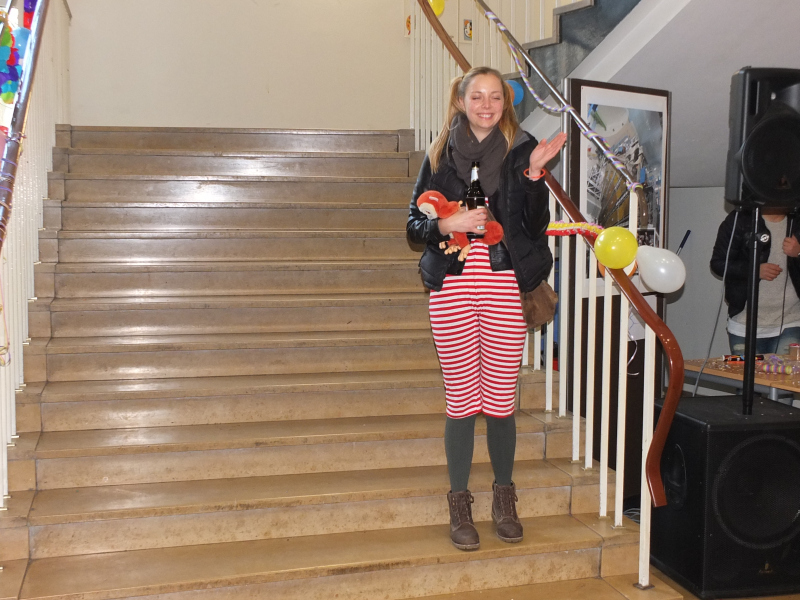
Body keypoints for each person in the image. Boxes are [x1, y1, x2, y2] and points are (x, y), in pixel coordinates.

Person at [406, 66, 566, 551]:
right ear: (461, 101)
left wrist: (534, 175)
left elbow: (534, 227)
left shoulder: (521, 149)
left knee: (499, 400)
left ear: (505, 104)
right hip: (452, 288)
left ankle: (504, 499)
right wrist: (446, 223)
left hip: (503, 286)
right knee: (461, 401)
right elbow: (414, 224)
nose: (486, 104)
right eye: (477, 96)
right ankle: (459, 503)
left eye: (495, 96)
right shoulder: (439, 153)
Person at [710, 206, 800, 355]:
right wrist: (754, 270)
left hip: (791, 321)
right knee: (747, 371)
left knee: (785, 371)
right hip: (744, 324)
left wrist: (798, 252)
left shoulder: (796, 220)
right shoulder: (740, 219)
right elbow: (718, 264)